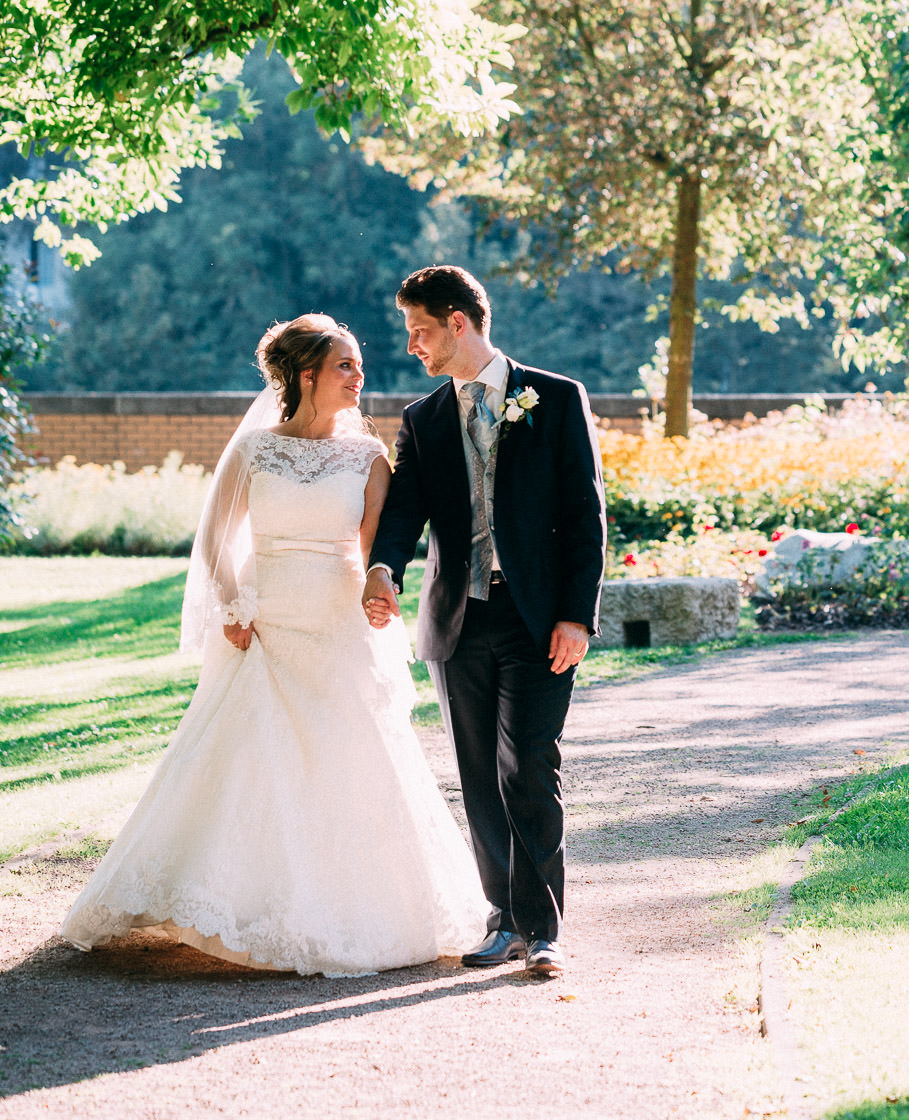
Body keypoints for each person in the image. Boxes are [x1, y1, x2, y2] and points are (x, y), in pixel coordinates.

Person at [59, 315, 488, 976]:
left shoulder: (370, 458)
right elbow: (216, 538)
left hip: (337, 625)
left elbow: (375, 551)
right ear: (307, 374)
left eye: (358, 364)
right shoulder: (254, 450)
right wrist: (234, 604)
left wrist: (380, 592)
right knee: (248, 759)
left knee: (349, 759)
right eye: (345, 364)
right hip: (265, 622)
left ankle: (344, 906)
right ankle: (231, 901)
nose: (359, 375)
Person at [362, 266, 606, 978]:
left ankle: (544, 929)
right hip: (458, 620)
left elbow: (586, 515)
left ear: (458, 323)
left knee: (529, 765)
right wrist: (384, 570)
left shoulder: (556, 398)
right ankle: (503, 921)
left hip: (539, 621)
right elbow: (404, 510)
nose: (412, 344)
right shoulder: (423, 419)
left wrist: (576, 617)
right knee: (478, 776)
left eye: (420, 330)